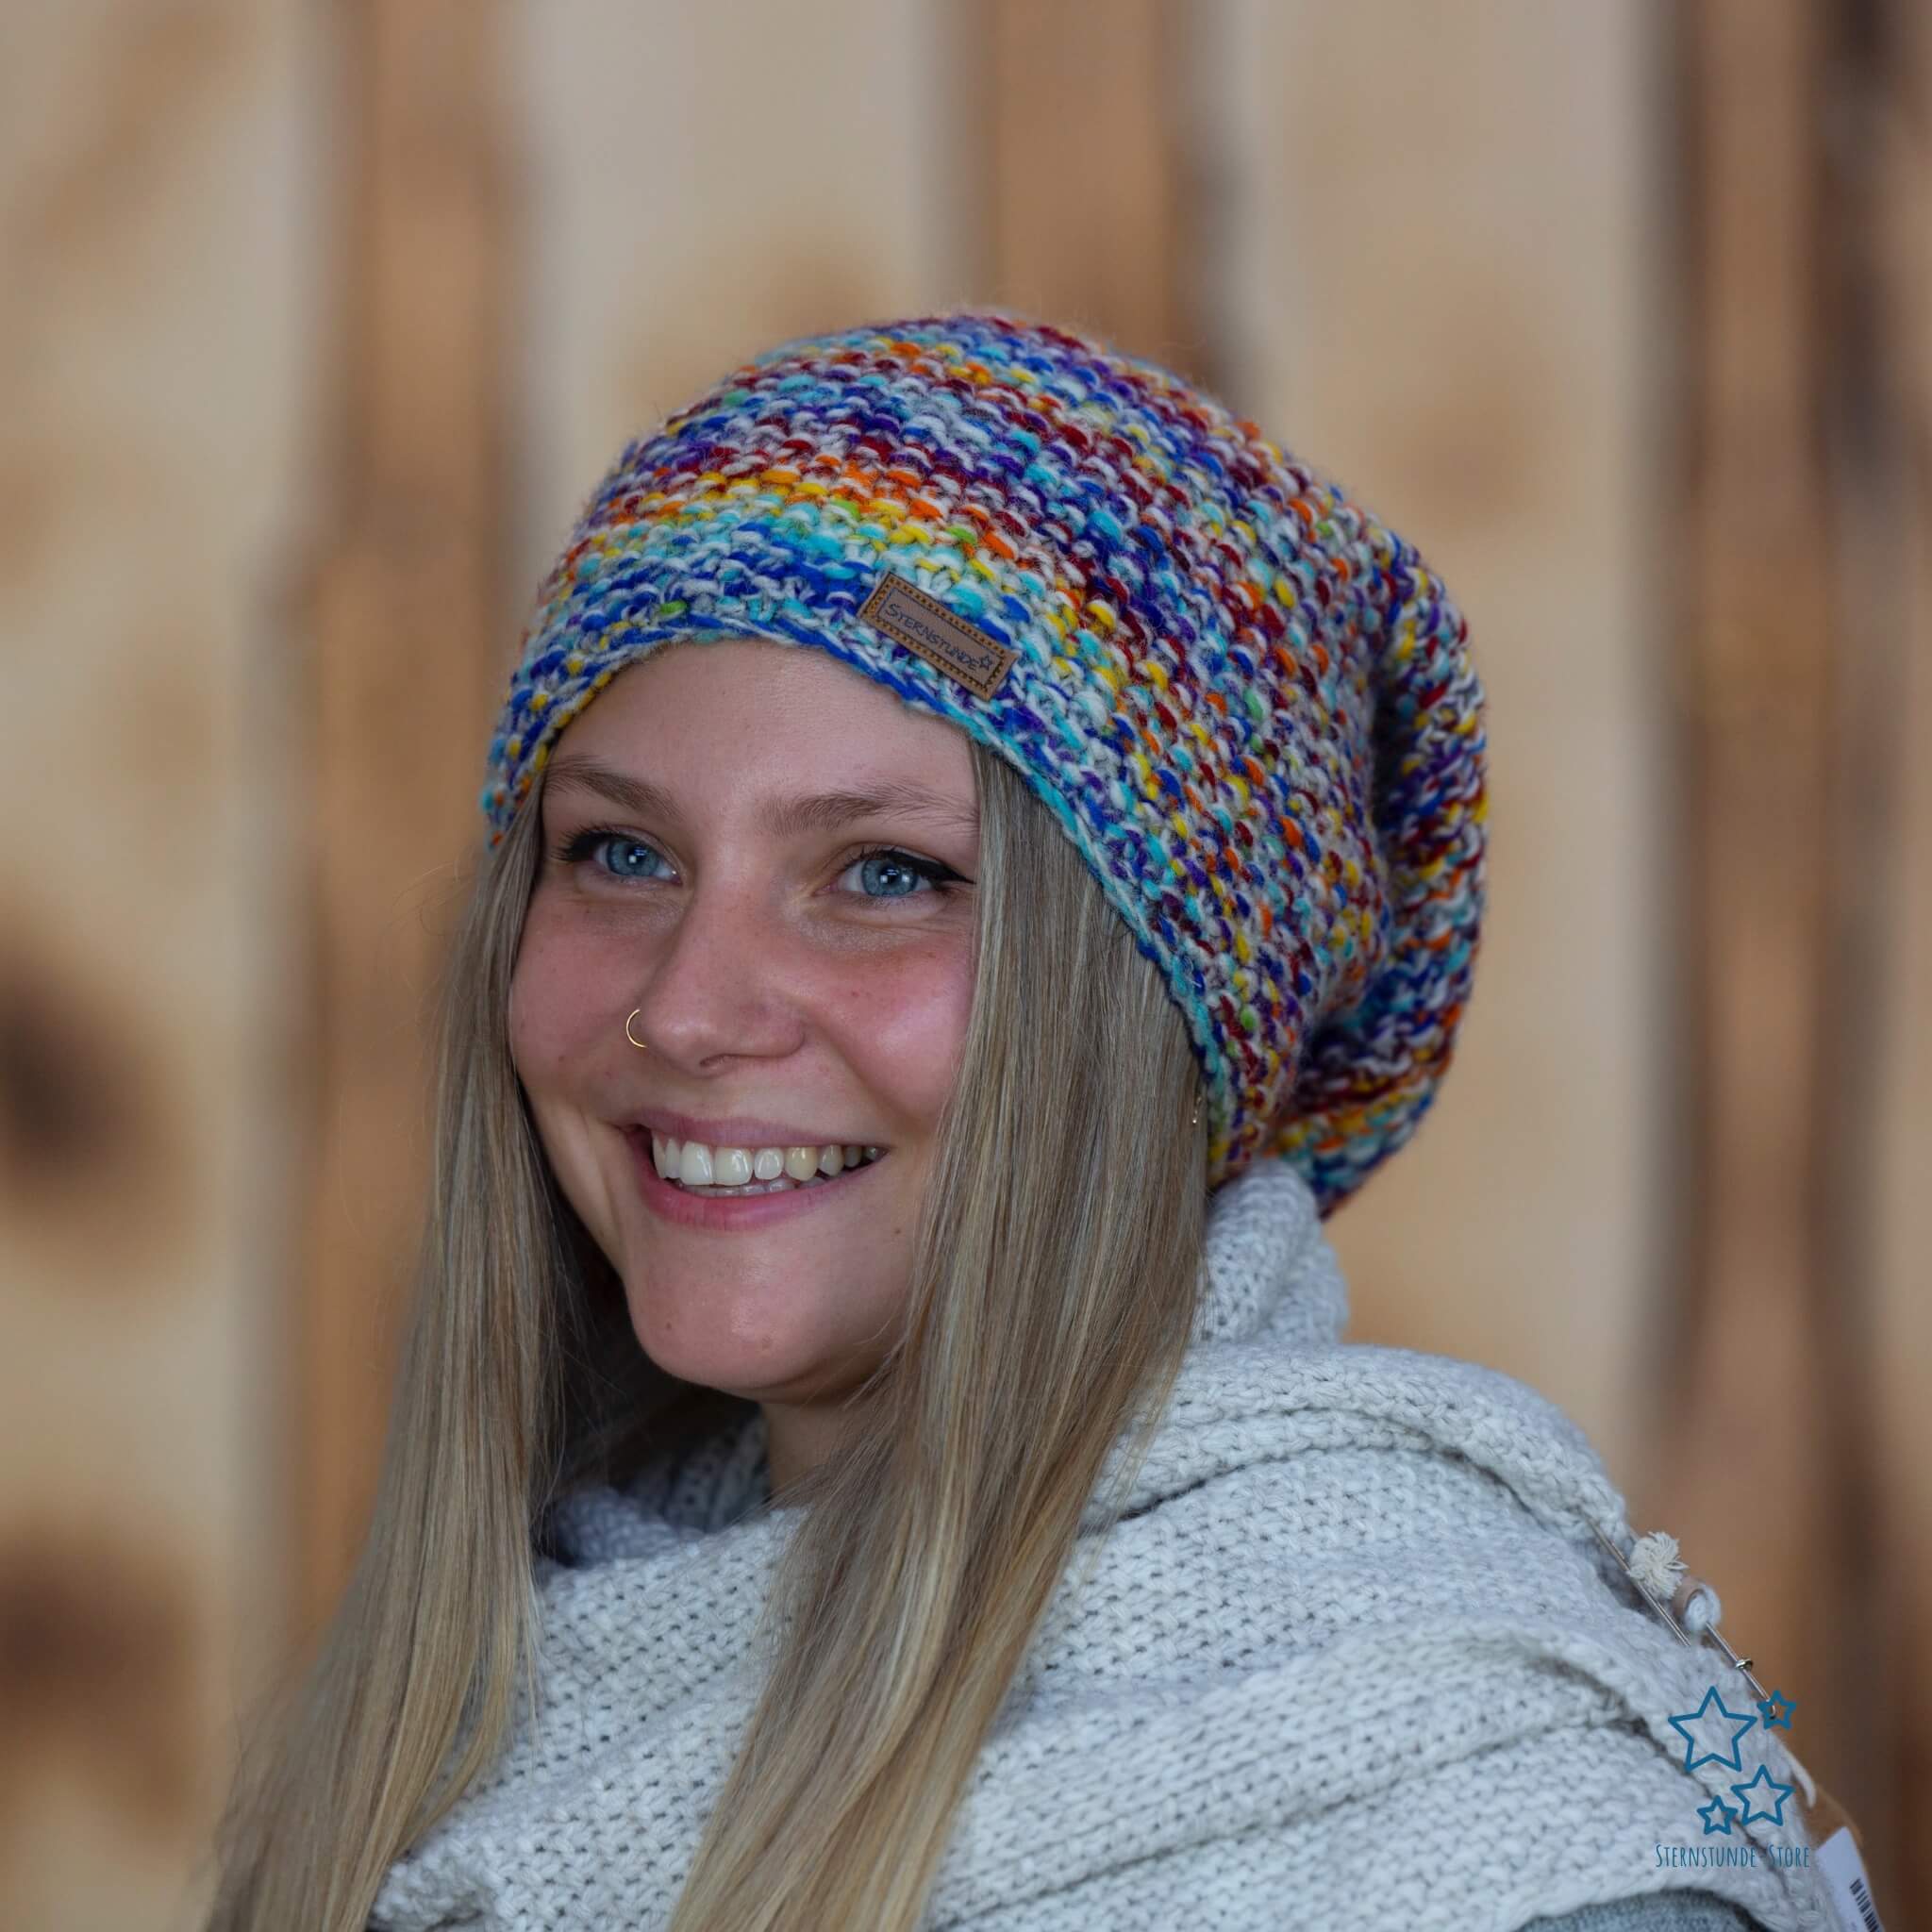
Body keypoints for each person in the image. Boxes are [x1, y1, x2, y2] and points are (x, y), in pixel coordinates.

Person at [203, 310, 1832, 1931]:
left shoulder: (1504, 1825)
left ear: (1154, 1011)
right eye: (620, 854)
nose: (690, 1010)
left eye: (888, 875)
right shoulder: (497, 1701)